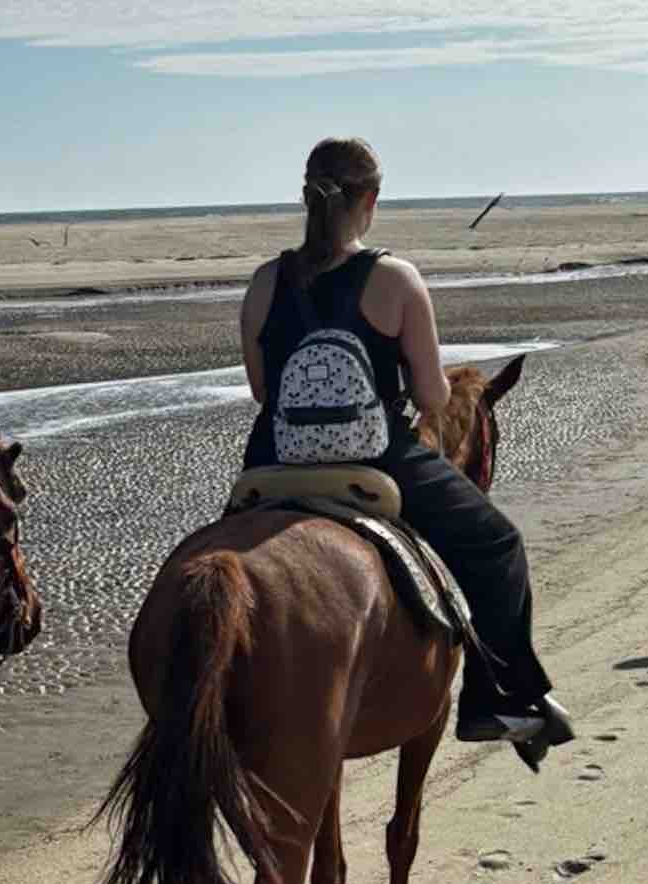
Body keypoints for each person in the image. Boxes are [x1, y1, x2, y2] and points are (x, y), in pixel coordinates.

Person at [237, 137, 575, 760]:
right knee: (498, 544)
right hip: (376, 458)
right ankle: (492, 701)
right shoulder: (394, 277)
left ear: (305, 195)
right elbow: (429, 396)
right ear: (371, 199)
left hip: (273, 463)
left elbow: (264, 391)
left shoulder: (264, 282)